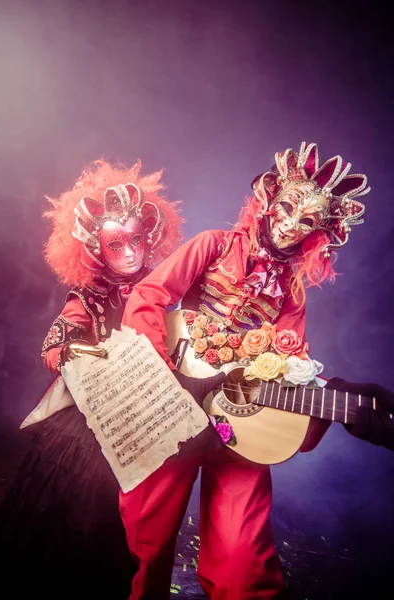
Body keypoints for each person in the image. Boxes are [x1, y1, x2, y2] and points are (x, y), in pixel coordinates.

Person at [119, 141, 394, 600]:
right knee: (144, 544)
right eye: (288, 207)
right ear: (268, 198)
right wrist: (166, 378)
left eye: (306, 221)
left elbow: (288, 370)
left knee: (243, 559)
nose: (290, 224)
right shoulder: (213, 245)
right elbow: (148, 297)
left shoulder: (292, 294)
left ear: (317, 233)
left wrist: (335, 395)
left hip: (235, 424)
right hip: (175, 409)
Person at [0, 159, 184, 596]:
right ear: (97, 247)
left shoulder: (166, 287)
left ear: (150, 236)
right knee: (77, 512)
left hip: (150, 414)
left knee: (139, 523)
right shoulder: (88, 296)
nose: (131, 250)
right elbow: (52, 347)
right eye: (117, 244)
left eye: (136, 239)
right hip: (93, 417)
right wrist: (74, 354)